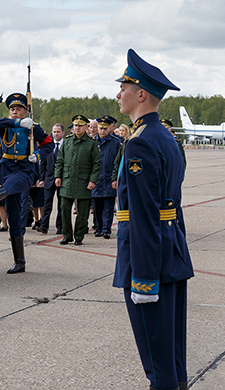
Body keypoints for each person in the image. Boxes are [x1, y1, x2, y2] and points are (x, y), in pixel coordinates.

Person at [113, 48, 193, 390]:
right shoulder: (164, 138)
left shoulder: (141, 144)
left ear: (141, 94)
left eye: (124, 88)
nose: (118, 94)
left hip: (149, 261)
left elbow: (145, 214)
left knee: (157, 364)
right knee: (171, 357)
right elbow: (171, 206)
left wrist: (144, 280)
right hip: (170, 250)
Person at [0, 93, 54, 273]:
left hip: (25, 169)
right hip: (7, 169)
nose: (14, 112)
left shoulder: (34, 128)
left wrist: (37, 155)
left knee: (12, 184)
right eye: (12, 109)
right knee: (14, 217)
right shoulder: (6, 125)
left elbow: (49, 145)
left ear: (26, 111)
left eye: (19, 109)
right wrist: (18, 123)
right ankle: (19, 261)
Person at [54, 114, 101, 246]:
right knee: (64, 209)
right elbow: (60, 161)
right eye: (75, 125)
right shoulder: (67, 141)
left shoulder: (91, 143)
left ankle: (79, 236)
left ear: (86, 127)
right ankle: (67, 235)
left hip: (83, 181)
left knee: (82, 212)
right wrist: (57, 176)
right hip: (67, 180)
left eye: (80, 125)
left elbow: (97, 164)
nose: (78, 128)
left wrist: (93, 180)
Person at [92, 116, 121, 238]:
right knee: (97, 206)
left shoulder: (115, 143)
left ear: (109, 128)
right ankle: (98, 228)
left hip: (109, 178)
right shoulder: (92, 142)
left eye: (105, 128)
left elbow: (118, 162)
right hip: (96, 179)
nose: (102, 131)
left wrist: (115, 178)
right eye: (100, 128)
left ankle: (106, 229)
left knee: (108, 207)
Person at [39, 123, 64, 234]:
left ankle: (60, 227)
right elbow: (42, 164)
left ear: (63, 133)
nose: (56, 134)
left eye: (58, 132)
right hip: (48, 179)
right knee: (47, 203)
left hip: (62, 180)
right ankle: (44, 226)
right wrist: (41, 178)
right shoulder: (48, 146)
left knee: (61, 205)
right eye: (54, 131)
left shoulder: (66, 145)